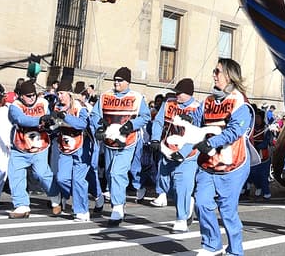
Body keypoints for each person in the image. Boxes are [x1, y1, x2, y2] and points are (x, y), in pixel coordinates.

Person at [191, 58, 253, 256]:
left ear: (229, 74)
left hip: (233, 165)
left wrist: (210, 143)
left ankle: (235, 251)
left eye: (217, 71)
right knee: (201, 203)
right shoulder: (208, 100)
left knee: (227, 211)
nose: (214, 75)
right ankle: (212, 245)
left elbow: (235, 131)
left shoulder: (239, 101)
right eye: (214, 71)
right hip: (208, 164)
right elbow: (198, 118)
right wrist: (186, 118)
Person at [89, 66, 149, 225]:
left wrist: (132, 125)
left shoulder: (137, 97)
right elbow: (95, 114)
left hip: (127, 142)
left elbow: (145, 116)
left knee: (117, 173)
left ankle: (117, 208)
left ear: (127, 82)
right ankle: (118, 201)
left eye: (120, 80)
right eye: (115, 79)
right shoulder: (105, 96)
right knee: (109, 174)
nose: (116, 82)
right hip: (109, 142)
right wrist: (99, 127)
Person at [149, 77, 202, 231]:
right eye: (176, 92)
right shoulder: (169, 103)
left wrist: (183, 153)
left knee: (182, 185)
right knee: (165, 183)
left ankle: (181, 219)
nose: (177, 95)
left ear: (188, 93)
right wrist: (154, 139)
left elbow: (197, 134)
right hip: (167, 150)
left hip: (188, 154)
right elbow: (159, 121)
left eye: (180, 93)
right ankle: (187, 202)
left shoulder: (197, 108)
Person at [6, 78, 55, 219]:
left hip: (40, 145)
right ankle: (21, 205)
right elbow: (20, 119)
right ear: (21, 96)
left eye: (34, 94)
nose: (32, 97)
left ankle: (55, 195)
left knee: (41, 174)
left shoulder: (43, 103)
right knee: (16, 174)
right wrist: (40, 120)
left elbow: (51, 120)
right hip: (20, 146)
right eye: (28, 96)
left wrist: (51, 123)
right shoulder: (15, 106)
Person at [51, 87, 94, 221]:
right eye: (58, 93)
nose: (60, 96)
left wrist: (66, 116)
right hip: (65, 147)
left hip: (82, 146)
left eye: (62, 93)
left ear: (69, 94)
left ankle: (82, 210)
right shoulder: (57, 107)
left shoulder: (79, 106)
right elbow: (56, 126)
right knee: (61, 178)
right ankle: (73, 195)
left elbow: (82, 124)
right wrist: (49, 125)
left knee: (78, 180)